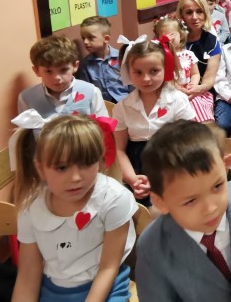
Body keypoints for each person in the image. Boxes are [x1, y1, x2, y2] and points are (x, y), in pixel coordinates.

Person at [136, 120, 231, 302]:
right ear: (160, 202)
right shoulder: (152, 247)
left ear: (226, 166)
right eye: (190, 200)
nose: (211, 208)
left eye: (217, 186)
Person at [12, 115, 137, 301]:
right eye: (62, 168)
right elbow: (28, 276)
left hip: (105, 287)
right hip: (54, 287)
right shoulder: (31, 207)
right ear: (40, 168)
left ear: (100, 160)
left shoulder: (114, 199)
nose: (76, 178)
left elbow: (108, 268)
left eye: (86, 163)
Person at [113, 37, 195, 201]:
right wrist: (133, 180)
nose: (146, 79)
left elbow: (189, 144)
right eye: (138, 72)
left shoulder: (178, 100)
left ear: (166, 68)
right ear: (128, 72)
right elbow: (119, 150)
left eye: (154, 71)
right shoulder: (122, 107)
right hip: (137, 170)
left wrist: (158, 181)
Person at [18, 36, 107, 118]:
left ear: (75, 66)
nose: (57, 77)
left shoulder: (92, 92)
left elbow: (104, 126)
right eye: (48, 71)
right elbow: (25, 128)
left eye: (63, 70)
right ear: (36, 71)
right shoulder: (26, 98)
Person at [155, 15, 214, 122]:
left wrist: (193, 84)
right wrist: (178, 88)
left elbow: (195, 73)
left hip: (189, 90)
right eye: (164, 36)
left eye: (172, 34)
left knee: (196, 104)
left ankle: (202, 126)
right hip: (170, 91)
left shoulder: (188, 54)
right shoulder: (160, 57)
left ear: (181, 35)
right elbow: (165, 78)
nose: (169, 39)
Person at [178, 0, 222, 119]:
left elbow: (209, 78)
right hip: (175, 91)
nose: (194, 17)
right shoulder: (174, 40)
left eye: (199, 11)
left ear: (205, 13)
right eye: (189, 12)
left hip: (202, 93)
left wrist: (197, 89)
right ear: (182, 15)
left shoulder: (212, 42)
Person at [78, 16, 132, 104]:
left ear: (106, 39)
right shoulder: (85, 64)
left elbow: (132, 83)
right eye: (83, 38)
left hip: (126, 102)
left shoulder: (121, 57)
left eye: (91, 38)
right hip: (103, 105)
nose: (85, 42)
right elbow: (86, 89)